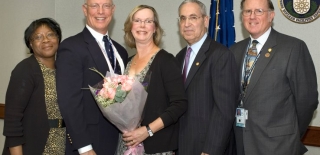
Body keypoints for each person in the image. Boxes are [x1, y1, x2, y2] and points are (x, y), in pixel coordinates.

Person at [230, 0, 319, 154]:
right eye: (247, 11)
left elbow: (307, 100)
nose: (252, 16)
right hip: (241, 143)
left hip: (278, 145)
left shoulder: (293, 48)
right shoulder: (234, 50)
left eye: (259, 11)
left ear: (271, 15)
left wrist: (291, 133)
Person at [55, 0, 128, 154]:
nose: (100, 11)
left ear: (112, 10)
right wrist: (84, 147)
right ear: (85, 10)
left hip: (119, 141)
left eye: (106, 6)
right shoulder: (71, 47)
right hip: (90, 144)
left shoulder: (121, 51)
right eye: (94, 5)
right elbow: (69, 101)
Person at [116, 5, 188, 155]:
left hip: (156, 146)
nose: (142, 25)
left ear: (155, 28)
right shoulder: (127, 63)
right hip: (127, 145)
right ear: (130, 27)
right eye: (137, 20)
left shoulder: (166, 61)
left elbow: (179, 104)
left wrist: (147, 130)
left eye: (148, 21)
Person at [176, 0, 239, 155]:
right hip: (181, 144)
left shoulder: (220, 55)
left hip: (206, 148)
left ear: (205, 20)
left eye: (193, 17)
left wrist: (211, 150)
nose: (187, 24)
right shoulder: (179, 57)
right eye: (183, 18)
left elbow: (224, 110)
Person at [2, 18, 64, 155]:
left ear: (58, 38)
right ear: (30, 43)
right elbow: (13, 119)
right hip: (33, 147)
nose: (46, 40)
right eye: (38, 37)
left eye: (50, 34)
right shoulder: (25, 69)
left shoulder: (64, 70)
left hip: (61, 145)